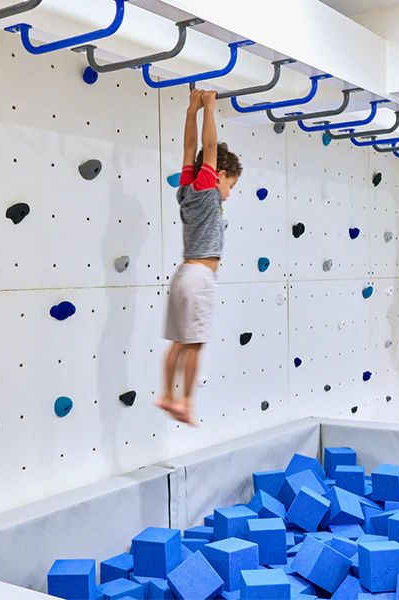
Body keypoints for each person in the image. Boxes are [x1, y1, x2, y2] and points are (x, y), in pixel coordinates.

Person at [156, 89, 242, 424]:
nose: (229, 193)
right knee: (194, 346)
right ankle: (185, 402)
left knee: (179, 342)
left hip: (182, 276)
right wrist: (209, 109)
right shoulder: (207, 191)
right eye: (230, 186)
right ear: (219, 175)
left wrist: (190, 110)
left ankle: (166, 394)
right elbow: (207, 147)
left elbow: (188, 147)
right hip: (200, 277)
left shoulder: (187, 188)